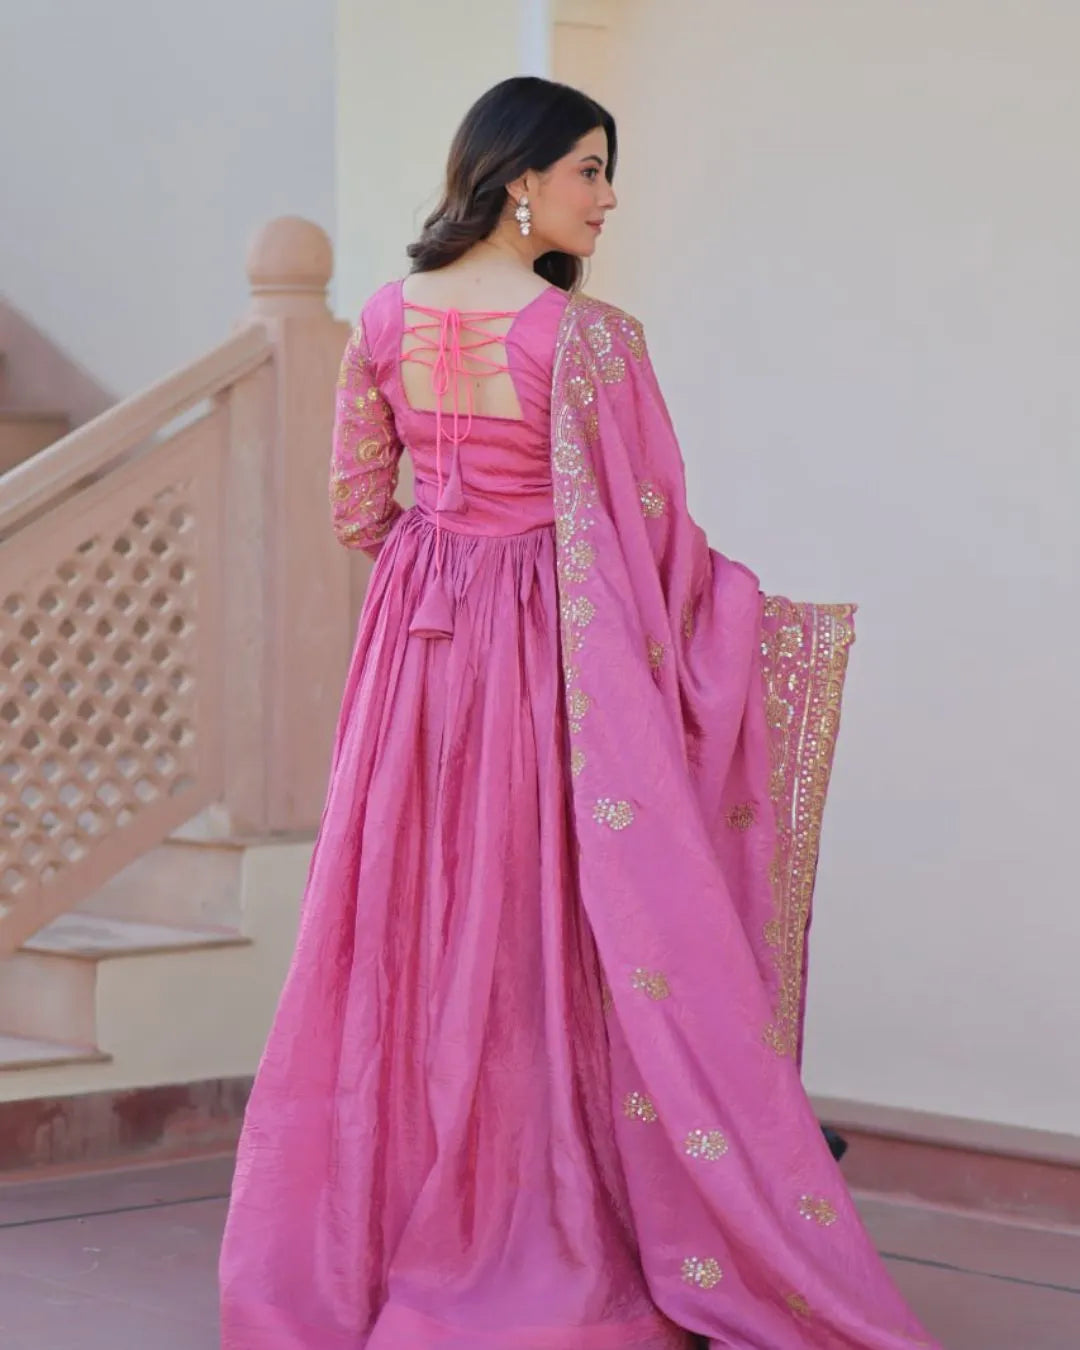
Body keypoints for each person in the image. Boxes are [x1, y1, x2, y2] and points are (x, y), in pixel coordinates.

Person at [219, 76, 937, 1350]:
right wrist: (749, 623)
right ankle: (543, 1225)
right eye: (592, 171)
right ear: (520, 181)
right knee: (550, 924)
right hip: (551, 651)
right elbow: (649, 538)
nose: (608, 200)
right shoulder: (585, 338)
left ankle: (391, 1236)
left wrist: (444, 561)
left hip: (413, 653)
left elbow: (355, 511)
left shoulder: (383, 317)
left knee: (418, 919)